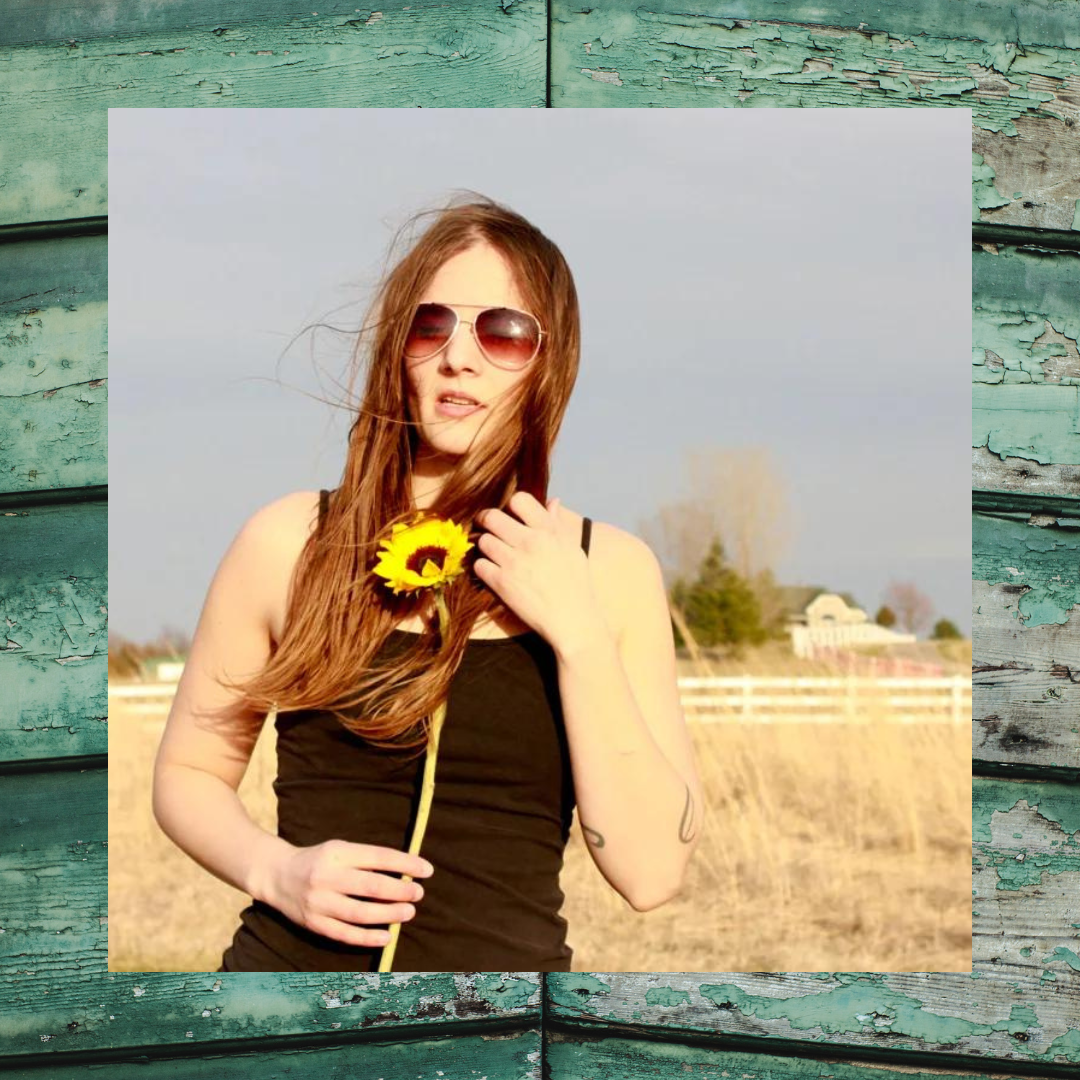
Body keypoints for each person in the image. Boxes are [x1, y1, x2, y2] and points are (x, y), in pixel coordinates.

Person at [152, 194, 702, 972]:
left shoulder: (609, 569)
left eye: (504, 333)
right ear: (398, 348)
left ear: (552, 361)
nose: (460, 356)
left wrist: (576, 632)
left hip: (497, 1031)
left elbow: (651, 875)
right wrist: (275, 870)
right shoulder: (291, 541)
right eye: (431, 323)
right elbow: (188, 771)